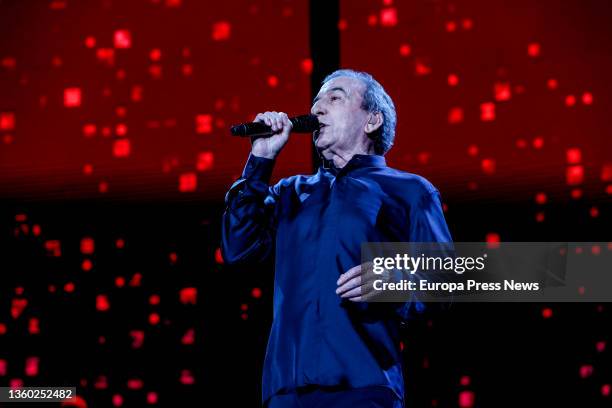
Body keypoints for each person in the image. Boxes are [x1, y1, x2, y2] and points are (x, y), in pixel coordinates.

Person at [221, 69, 452, 407]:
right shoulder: (290, 192)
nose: (317, 109)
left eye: (334, 98)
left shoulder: (408, 190)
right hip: (287, 392)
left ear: (371, 120)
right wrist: (261, 159)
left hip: (364, 387)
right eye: (315, 101)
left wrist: (394, 281)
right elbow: (237, 250)